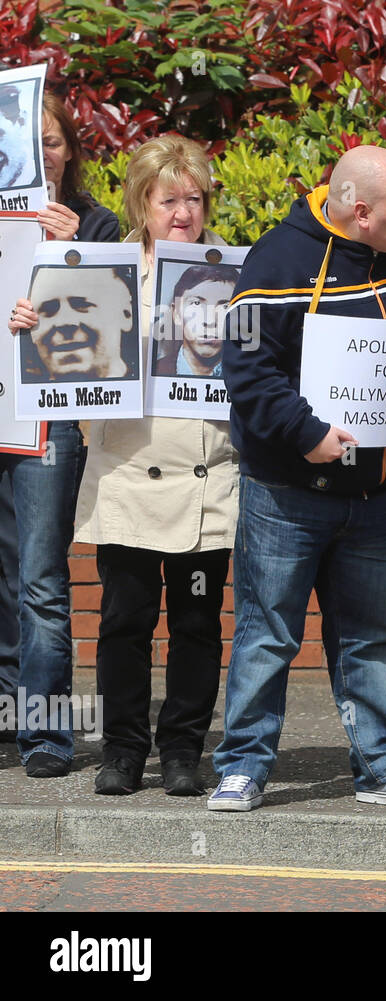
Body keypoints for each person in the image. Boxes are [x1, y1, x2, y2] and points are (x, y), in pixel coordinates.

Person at [211, 144, 386, 812]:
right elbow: (245, 369)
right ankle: (242, 765)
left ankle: (381, 765)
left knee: (372, 633)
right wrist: (308, 435)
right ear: (361, 214)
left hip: (377, 493)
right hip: (286, 493)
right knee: (268, 633)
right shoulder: (277, 261)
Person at [65, 135, 237, 796]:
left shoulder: (234, 271)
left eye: (194, 198)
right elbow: (65, 353)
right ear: (142, 201)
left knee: (196, 620)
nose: (184, 213)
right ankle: (123, 748)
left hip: (205, 474)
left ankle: (185, 748)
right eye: (170, 200)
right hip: (128, 473)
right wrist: (32, 323)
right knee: (125, 621)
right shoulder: (103, 272)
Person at [0, 94, 117, 768]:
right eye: (29, 141)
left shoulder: (95, 224)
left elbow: (110, 330)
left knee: (40, 580)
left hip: (47, 425)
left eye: (53, 141)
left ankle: (44, 732)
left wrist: (73, 251)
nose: (42, 153)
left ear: (70, 150)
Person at [19, 264, 136, 382]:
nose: (64, 322)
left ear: (126, 314)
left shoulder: (148, 393)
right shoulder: (26, 397)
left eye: (82, 305)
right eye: (49, 310)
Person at [153, 263, 239, 378]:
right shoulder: (155, 371)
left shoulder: (250, 377)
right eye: (196, 303)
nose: (210, 321)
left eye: (225, 306)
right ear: (176, 314)